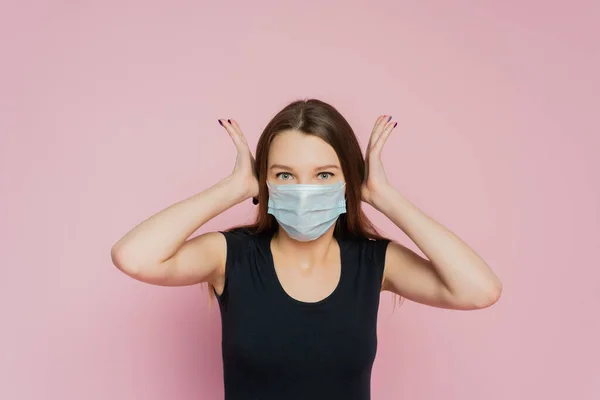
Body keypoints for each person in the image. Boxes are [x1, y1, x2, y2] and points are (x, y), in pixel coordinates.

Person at [110, 98, 502, 400]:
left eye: (324, 175)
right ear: (265, 181)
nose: (303, 190)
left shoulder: (375, 262)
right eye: (285, 175)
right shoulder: (231, 257)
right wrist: (233, 189)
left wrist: (385, 198)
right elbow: (134, 256)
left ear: (348, 180)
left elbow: (479, 290)